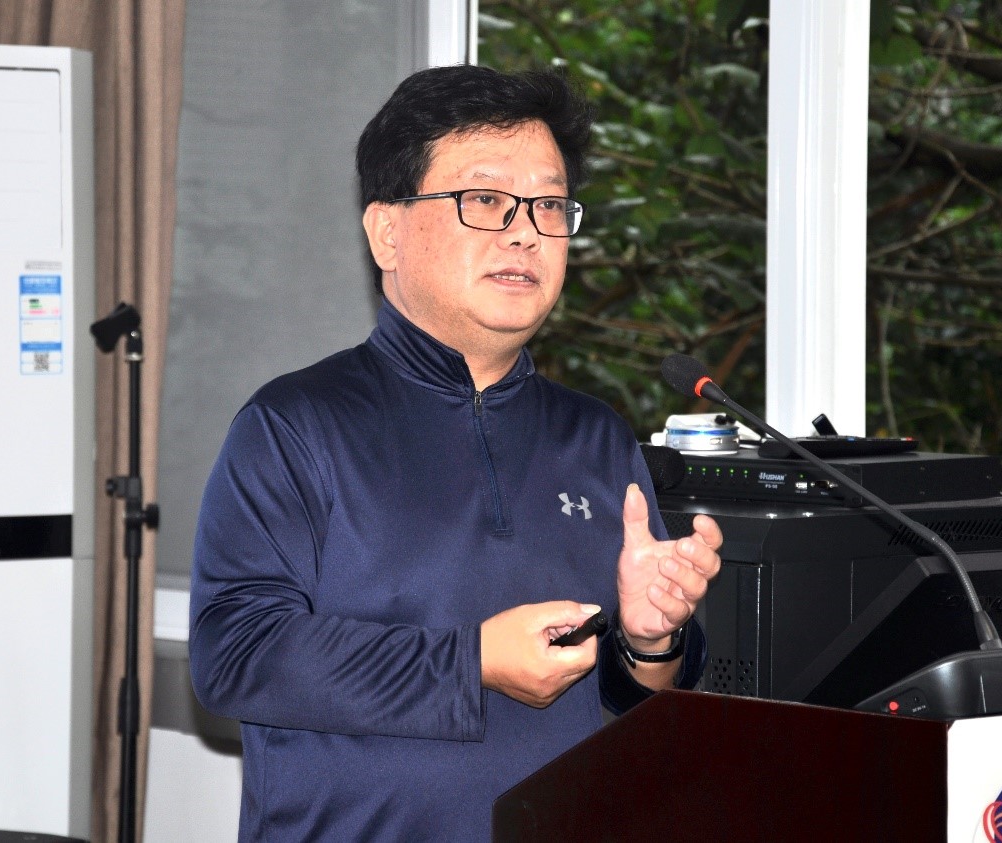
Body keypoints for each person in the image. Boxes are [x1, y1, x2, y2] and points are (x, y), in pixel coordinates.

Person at [189, 63, 723, 842]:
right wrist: (469, 663)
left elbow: (636, 700)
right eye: (485, 199)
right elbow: (236, 653)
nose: (524, 231)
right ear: (387, 231)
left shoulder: (597, 436)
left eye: (548, 205)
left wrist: (651, 639)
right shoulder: (294, 425)